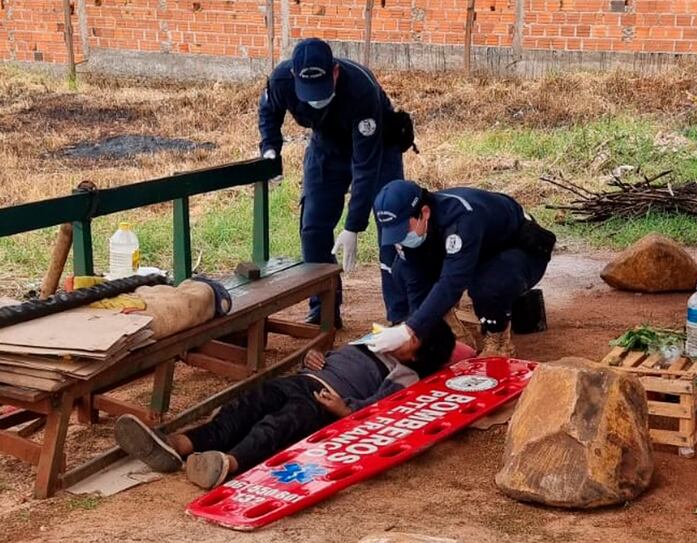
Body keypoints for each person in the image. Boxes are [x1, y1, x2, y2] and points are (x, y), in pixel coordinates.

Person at [114, 321, 455, 490]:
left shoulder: (404, 374)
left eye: (412, 337)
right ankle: (178, 445)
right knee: (245, 406)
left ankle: (225, 464)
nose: (403, 333)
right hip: (300, 381)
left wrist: (344, 410)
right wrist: (314, 356)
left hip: (322, 404)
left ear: (418, 354)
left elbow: (378, 410)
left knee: (277, 426)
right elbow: (331, 358)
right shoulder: (375, 342)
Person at [258, 37, 417, 328]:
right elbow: (269, 110)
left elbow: (366, 167)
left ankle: (402, 315)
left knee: (391, 223)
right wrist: (270, 149)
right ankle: (325, 312)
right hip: (326, 147)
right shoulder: (281, 80)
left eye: (322, 89)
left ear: (334, 73)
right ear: (294, 76)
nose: (316, 98)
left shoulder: (360, 89)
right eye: (309, 92)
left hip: (377, 147)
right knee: (313, 226)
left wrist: (353, 226)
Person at [366, 179, 555, 358]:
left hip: (519, 248)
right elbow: (416, 279)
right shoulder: (414, 227)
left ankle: (498, 339)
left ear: (424, 213)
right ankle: (448, 328)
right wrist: (417, 328)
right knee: (400, 270)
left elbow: (453, 280)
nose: (401, 237)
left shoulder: (461, 219)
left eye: (403, 230)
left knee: (488, 286)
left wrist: (410, 329)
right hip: (476, 252)